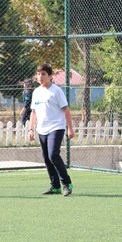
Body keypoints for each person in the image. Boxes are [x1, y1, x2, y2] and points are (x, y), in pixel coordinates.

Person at [28, 64, 75, 196]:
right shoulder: (36, 92)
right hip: (41, 129)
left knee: (53, 155)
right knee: (47, 158)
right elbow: (33, 112)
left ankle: (67, 183)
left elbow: (66, 110)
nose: (40, 76)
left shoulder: (56, 91)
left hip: (56, 127)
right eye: (38, 74)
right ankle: (55, 186)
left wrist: (70, 129)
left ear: (50, 76)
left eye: (43, 74)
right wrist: (31, 129)